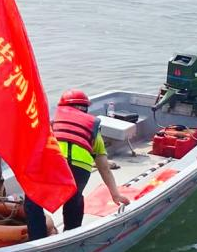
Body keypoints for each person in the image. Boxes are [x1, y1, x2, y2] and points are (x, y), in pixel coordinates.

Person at [24, 89, 130, 238]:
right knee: (74, 199)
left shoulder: (53, 123)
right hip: (80, 169)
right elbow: (104, 167)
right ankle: (71, 235)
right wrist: (115, 194)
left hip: (55, 165)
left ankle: (38, 238)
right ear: (85, 109)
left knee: (33, 200)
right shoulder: (92, 128)